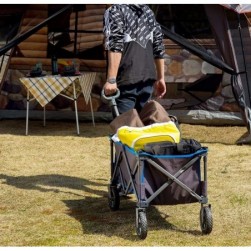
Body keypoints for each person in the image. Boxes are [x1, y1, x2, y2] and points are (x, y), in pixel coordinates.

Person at [103, 4, 166, 115]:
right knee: (143, 128)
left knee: (126, 129)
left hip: (126, 80)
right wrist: (161, 78)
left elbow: (115, 44)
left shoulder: (115, 10)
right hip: (147, 79)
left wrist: (111, 80)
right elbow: (159, 46)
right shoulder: (148, 12)